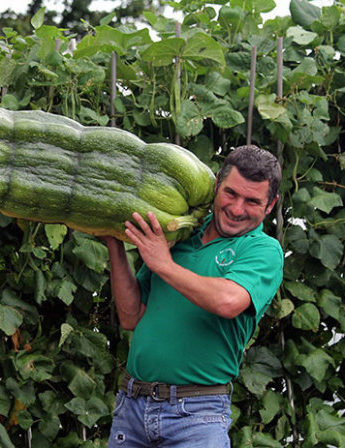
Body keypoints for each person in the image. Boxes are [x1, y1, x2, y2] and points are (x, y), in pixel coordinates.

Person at [104, 144, 283, 448]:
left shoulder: (262, 250)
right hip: (132, 407)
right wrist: (114, 245)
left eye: (252, 201)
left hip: (196, 416)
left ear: (270, 205)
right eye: (231, 194)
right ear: (216, 185)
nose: (237, 209)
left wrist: (163, 264)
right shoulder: (179, 233)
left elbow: (228, 301)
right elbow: (131, 315)